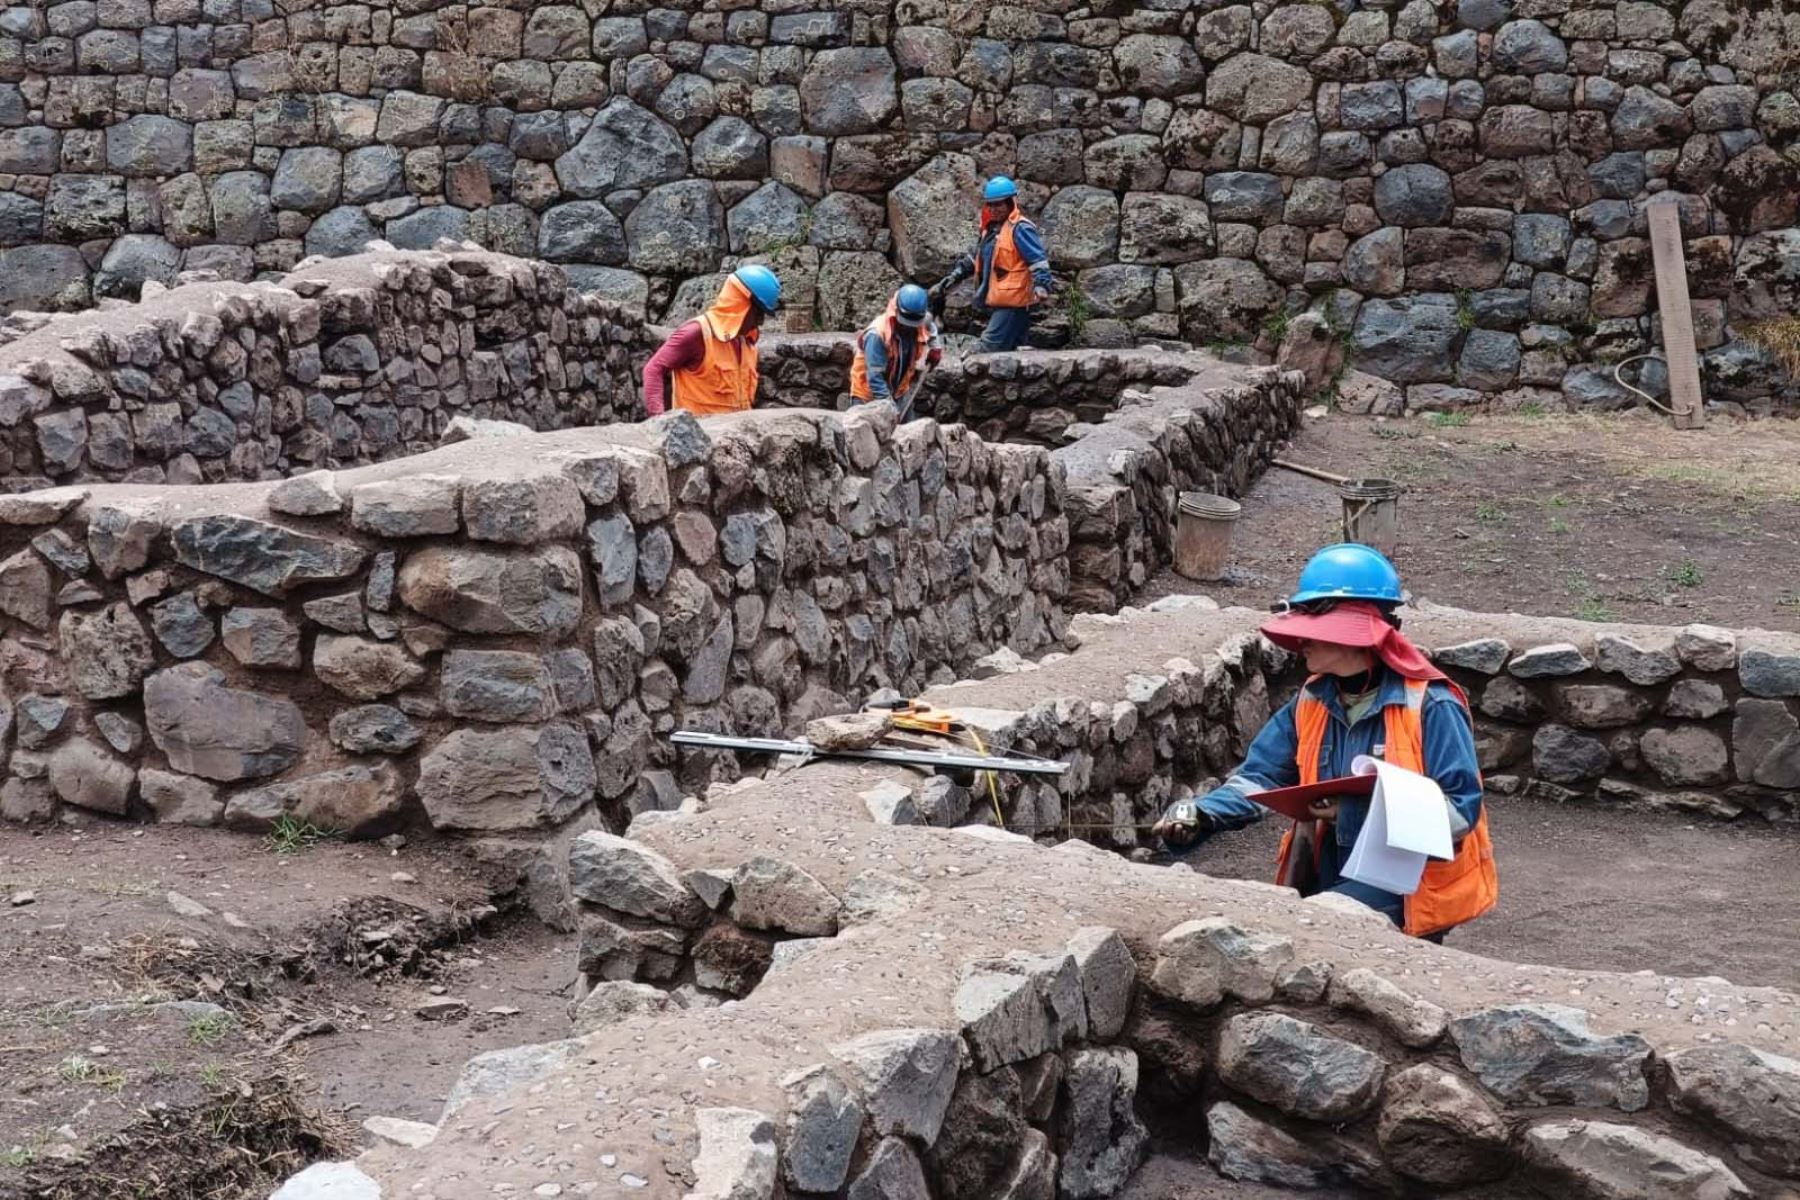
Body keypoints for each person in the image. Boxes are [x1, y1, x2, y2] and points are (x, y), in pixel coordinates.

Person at [1153, 544, 1499, 941]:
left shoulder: (1432, 704)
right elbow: (1260, 777)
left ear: (1356, 637)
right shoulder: (1312, 698)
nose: (1303, 642)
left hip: (1410, 888)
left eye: (1314, 630)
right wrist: (1203, 813)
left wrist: (1351, 812)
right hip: (1329, 867)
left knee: (1319, 933)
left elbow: (1459, 815)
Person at [930, 176, 1052, 354]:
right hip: (1001, 299)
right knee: (1013, 352)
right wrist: (953, 277)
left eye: (998, 204)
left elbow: (1037, 259)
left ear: (1010, 203)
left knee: (985, 350)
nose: (994, 209)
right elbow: (976, 258)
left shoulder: (1020, 228)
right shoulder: (991, 230)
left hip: (1014, 301)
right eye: (990, 205)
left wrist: (1042, 284)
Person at [641, 264, 781, 417]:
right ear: (740, 305)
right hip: (697, 437)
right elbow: (653, 369)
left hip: (737, 438)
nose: (760, 322)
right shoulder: (696, 333)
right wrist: (660, 422)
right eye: (758, 313)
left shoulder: (748, 343)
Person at [849, 283, 943, 418]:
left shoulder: (918, 316)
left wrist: (935, 348)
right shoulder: (877, 335)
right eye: (906, 323)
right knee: (868, 436)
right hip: (868, 397)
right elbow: (875, 379)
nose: (909, 328)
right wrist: (892, 411)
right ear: (897, 310)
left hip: (900, 390)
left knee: (910, 435)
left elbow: (930, 325)